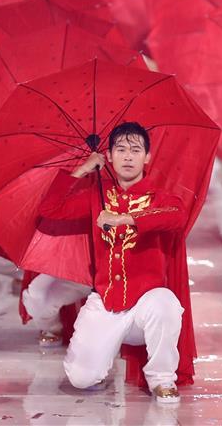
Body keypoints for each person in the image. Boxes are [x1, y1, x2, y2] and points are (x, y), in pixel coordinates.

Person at [37, 122, 190, 403]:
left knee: (166, 303)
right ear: (108, 156)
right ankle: (104, 352)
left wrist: (126, 219)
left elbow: (177, 215)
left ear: (147, 157)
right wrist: (82, 170)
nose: (128, 157)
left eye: (135, 150)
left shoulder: (159, 198)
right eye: (120, 150)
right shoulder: (98, 195)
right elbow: (50, 209)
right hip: (106, 301)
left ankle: (161, 378)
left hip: (146, 305)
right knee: (81, 379)